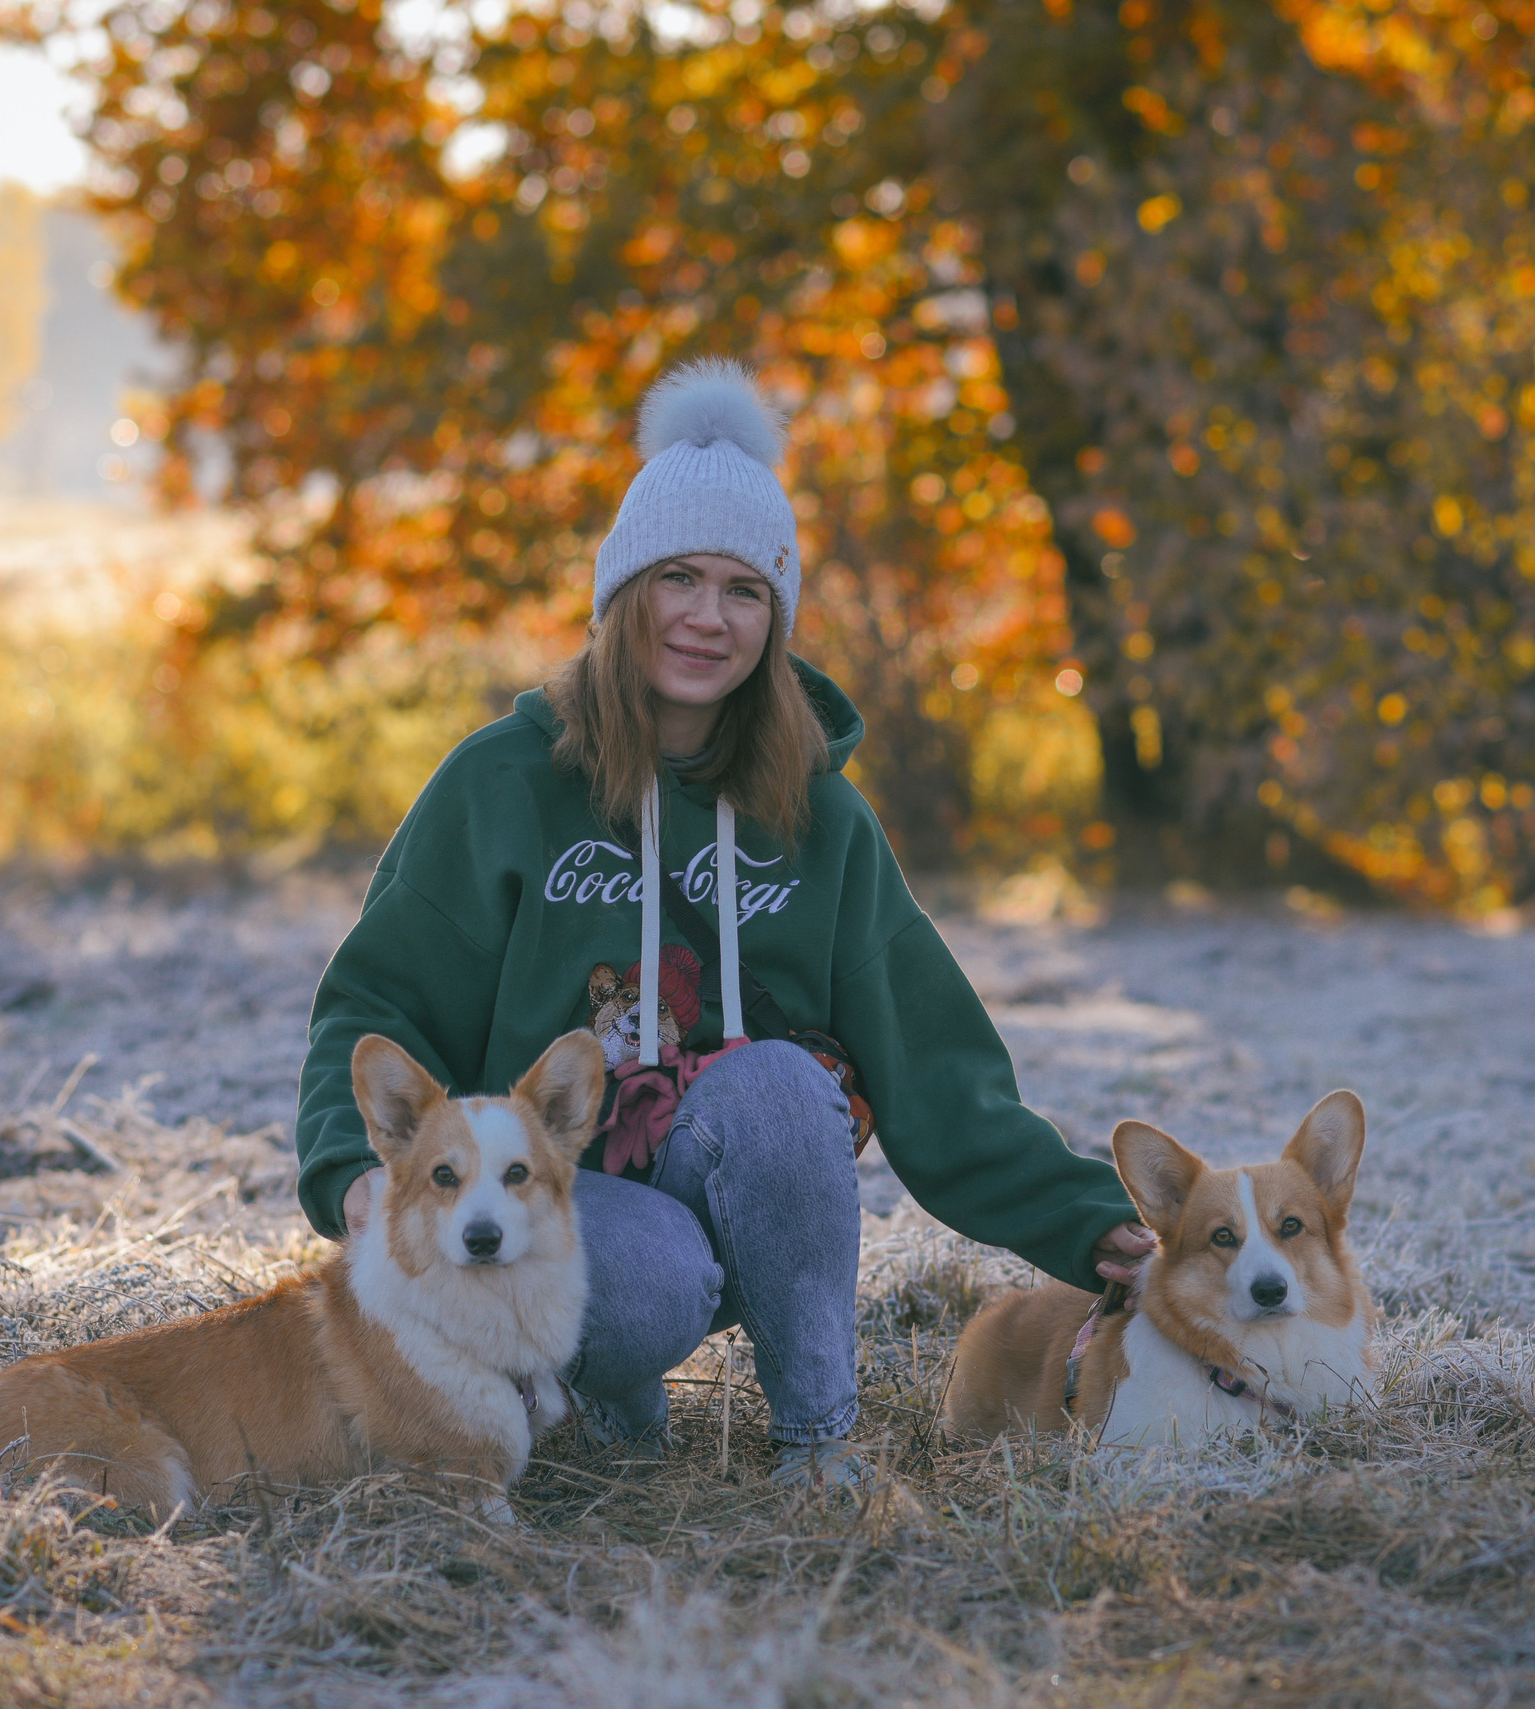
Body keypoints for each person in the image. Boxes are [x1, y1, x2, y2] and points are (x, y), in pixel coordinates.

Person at [294, 358, 1150, 1488]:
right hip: (536, 1209)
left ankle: (816, 1446)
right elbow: (377, 999)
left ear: (777, 618)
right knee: (649, 1269)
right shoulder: (500, 785)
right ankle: (585, 1404)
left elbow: (937, 1065)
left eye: (745, 589)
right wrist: (353, 1171)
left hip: (745, 1191)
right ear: (621, 592)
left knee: (786, 1083)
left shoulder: (820, 818)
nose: (707, 616)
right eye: (677, 577)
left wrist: (1091, 1224)